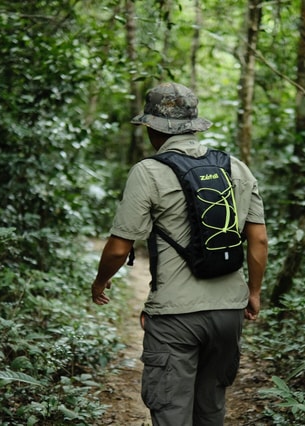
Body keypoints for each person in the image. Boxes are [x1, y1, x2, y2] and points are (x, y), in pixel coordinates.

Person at [91, 82, 268, 426]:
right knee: (211, 407)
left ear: (152, 127)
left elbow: (118, 248)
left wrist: (100, 283)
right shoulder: (236, 168)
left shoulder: (149, 172)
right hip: (229, 312)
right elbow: (258, 240)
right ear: (194, 124)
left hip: (175, 319)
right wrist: (255, 293)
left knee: (172, 412)